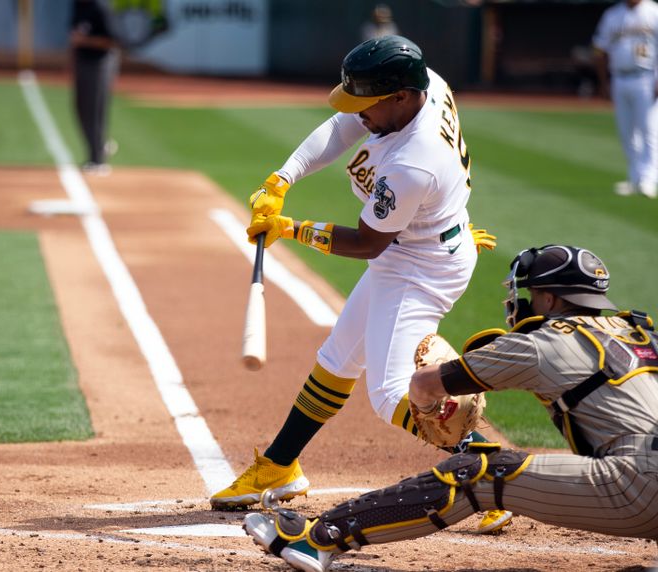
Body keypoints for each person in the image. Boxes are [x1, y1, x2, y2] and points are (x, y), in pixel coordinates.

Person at [209, 35, 510, 534]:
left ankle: (488, 469)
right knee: (337, 359)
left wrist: (291, 229)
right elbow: (343, 124)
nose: (360, 115)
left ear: (399, 97)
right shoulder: (421, 86)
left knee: (392, 393)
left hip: (419, 263)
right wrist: (280, 180)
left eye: (368, 104)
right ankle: (281, 466)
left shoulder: (414, 162)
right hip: (420, 243)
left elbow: (369, 242)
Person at [243, 244, 658, 572]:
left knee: (476, 472)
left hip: (636, 486)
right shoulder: (639, 331)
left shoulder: (540, 342)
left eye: (531, 294)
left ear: (550, 299)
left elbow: (426, 384)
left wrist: (428, 411)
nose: (525, 302)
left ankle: (317, 539)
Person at [593, 0, 658, 198]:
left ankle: (649, 178)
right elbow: (600, 48)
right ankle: (634, 177)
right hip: (620, 78)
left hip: (646, 77)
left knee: (649, 129)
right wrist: (603, 82)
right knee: (627, 132)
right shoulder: (612, 15)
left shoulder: (653, 12)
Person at [70, 0, 123, 176]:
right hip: (83, 61)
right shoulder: (78, 5)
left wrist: (85, 41)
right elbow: (74, 35)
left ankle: (98, 159)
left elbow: (111, 41)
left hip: (101, 62)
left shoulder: (100, 8)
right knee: (80, 107)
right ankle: (100, 146)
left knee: (95, 108)